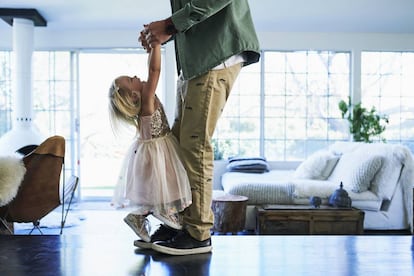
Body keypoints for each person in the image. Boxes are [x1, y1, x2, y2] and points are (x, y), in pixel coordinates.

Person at [139, 0, 260, 255]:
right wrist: (160, 32)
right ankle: (181, 224)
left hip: (214, 58)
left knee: (194, 146)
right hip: (197, 61)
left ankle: (198, 234)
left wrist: (169, 26)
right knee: (180, 147)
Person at [108, 44, 192, 246]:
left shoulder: (144, 100)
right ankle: (165, 212)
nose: (135, 76)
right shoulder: (147, 99)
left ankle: (139, 217)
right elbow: (154, 70)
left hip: (152, 150)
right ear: (134, 96)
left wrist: (151, 51)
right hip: (159, 150)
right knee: (169, 185)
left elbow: (149, 68)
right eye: (130, 79)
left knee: (156, 191)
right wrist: (155, 45)